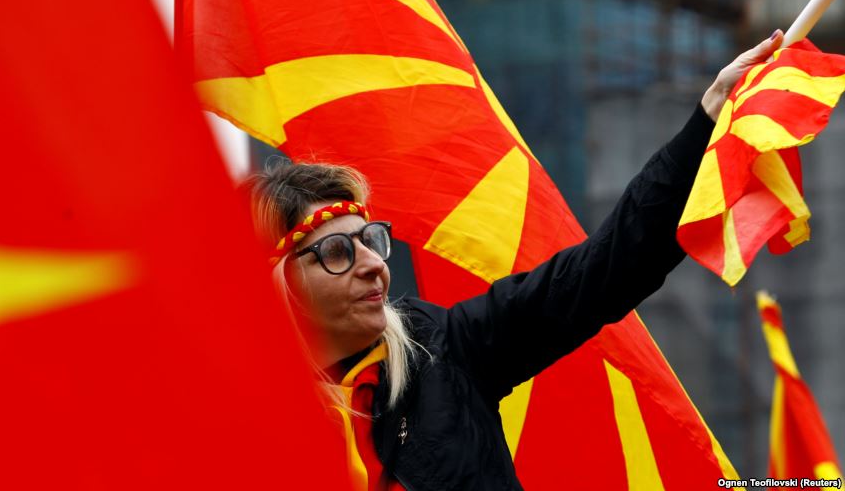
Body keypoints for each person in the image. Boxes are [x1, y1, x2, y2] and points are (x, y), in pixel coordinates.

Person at [242, 31, 787, 491]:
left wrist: (703, 125)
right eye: (338, 252)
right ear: (278, 281)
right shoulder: (241, 422)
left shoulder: (444, 351)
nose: (371, 263)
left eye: (371, 240)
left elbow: (604, 270)